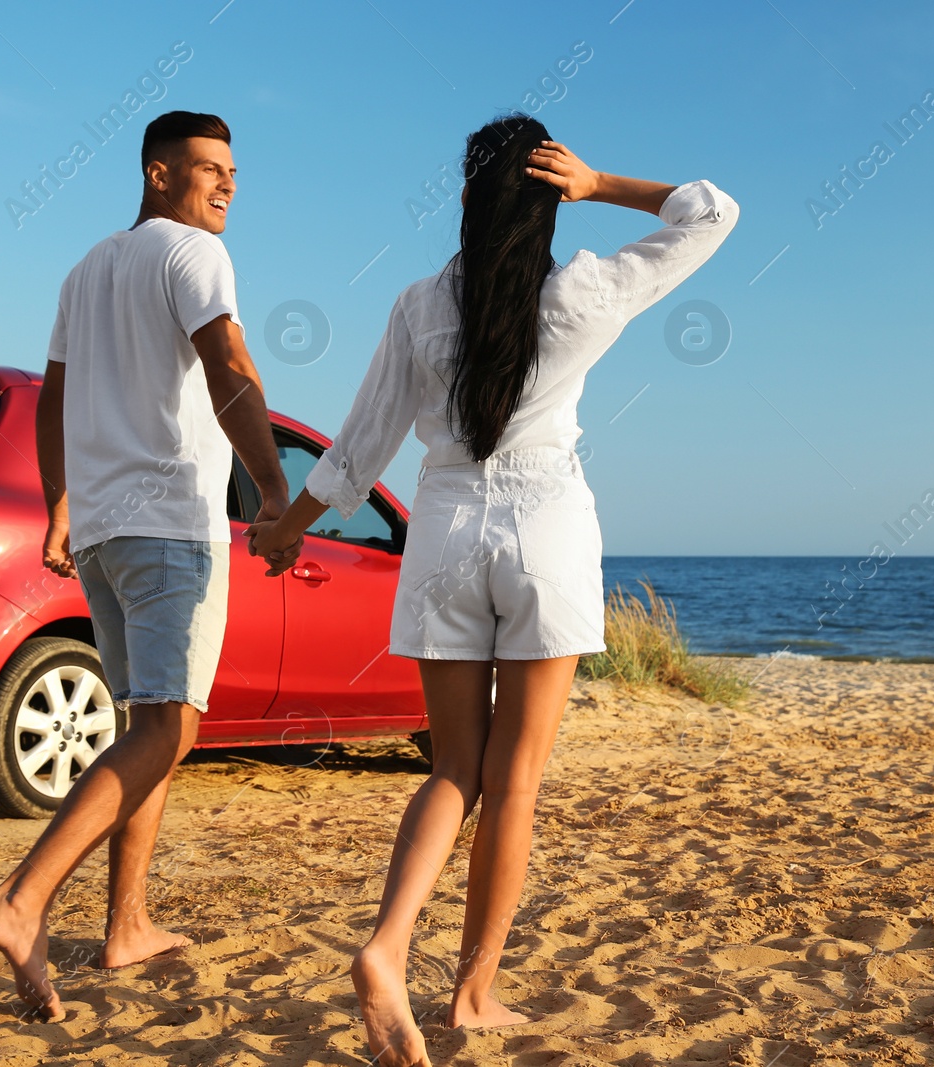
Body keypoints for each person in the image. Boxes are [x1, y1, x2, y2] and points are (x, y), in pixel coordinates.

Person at [248, 113, 738, 1066]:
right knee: (515, 782)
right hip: (546, 532)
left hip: (442, 535)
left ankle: (388, 947)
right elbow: (711, 213)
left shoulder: (418, 304)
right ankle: (473, 992)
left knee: (451, 771)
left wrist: (285, 527)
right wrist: (603, 184)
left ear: (467, 201)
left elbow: (360, 446)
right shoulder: (584, 291)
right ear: (548, 198)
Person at [0, 110, 296, 1021]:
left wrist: (63, 500)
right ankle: (20, 899)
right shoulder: (192, 256)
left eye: (234, 170)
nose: (226, 185)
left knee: (143, 722)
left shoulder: (86, 268)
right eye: (207, 170)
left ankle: (128, 924)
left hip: (109, 532)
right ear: (158, 175)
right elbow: (229, 363)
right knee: (169, 730)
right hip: (170, 527)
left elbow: (55, 398)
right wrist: (272, 488)